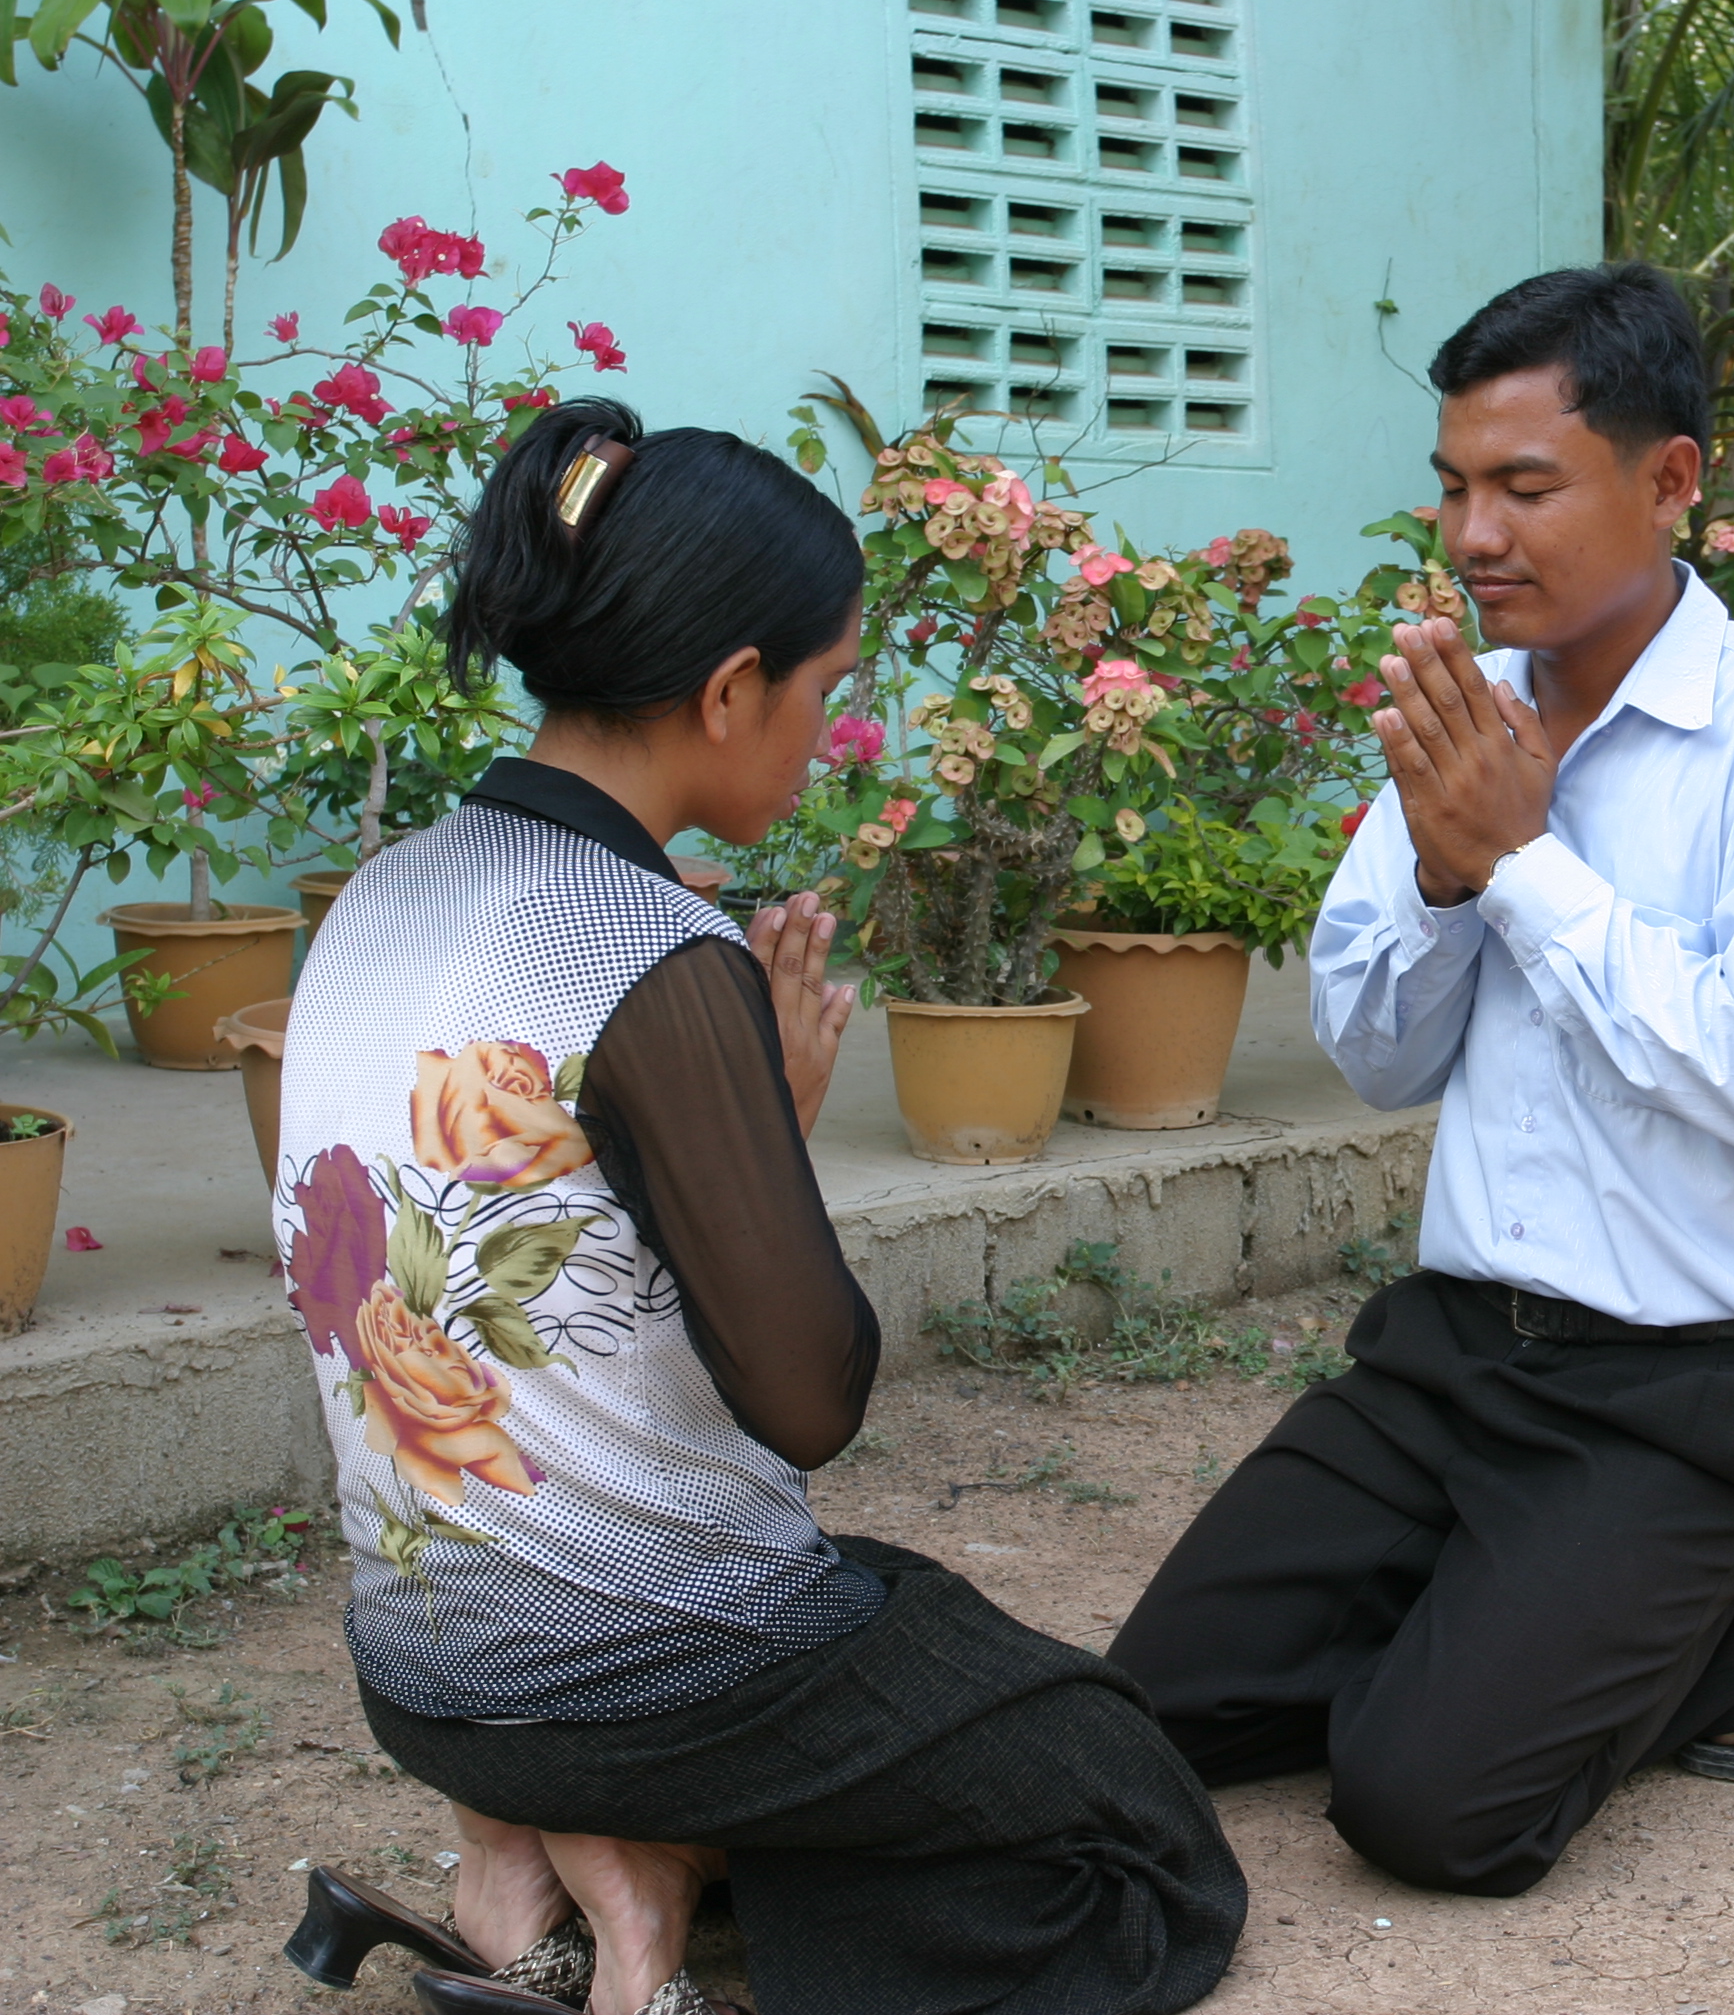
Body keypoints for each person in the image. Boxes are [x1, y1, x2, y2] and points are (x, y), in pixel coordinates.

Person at [270, 398, 1244, 2015]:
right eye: (825, 689)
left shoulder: (382, 892)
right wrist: (768, 1144)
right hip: (648, 1683)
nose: (825, 731)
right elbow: (809, 1402)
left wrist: (735, 1141)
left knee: (915, 1633)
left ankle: (538, 1857)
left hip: (425, 1681)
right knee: (1130, 1821)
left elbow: (516, 1297)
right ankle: (645, 1866)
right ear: (730, 691)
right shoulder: (648, 945)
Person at [1108, 264, 1734, 1898]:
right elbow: (1379, 1058)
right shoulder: (1462, 727)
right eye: (1455, 487)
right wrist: (1443, 872)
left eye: (1526, 487)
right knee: (1138, 1720)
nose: (1475, 535)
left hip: (1694, 1390)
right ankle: (1529, 1608)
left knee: (1428, 1808)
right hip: (1453, 1359)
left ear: (1670, 480)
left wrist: (1524, 867)